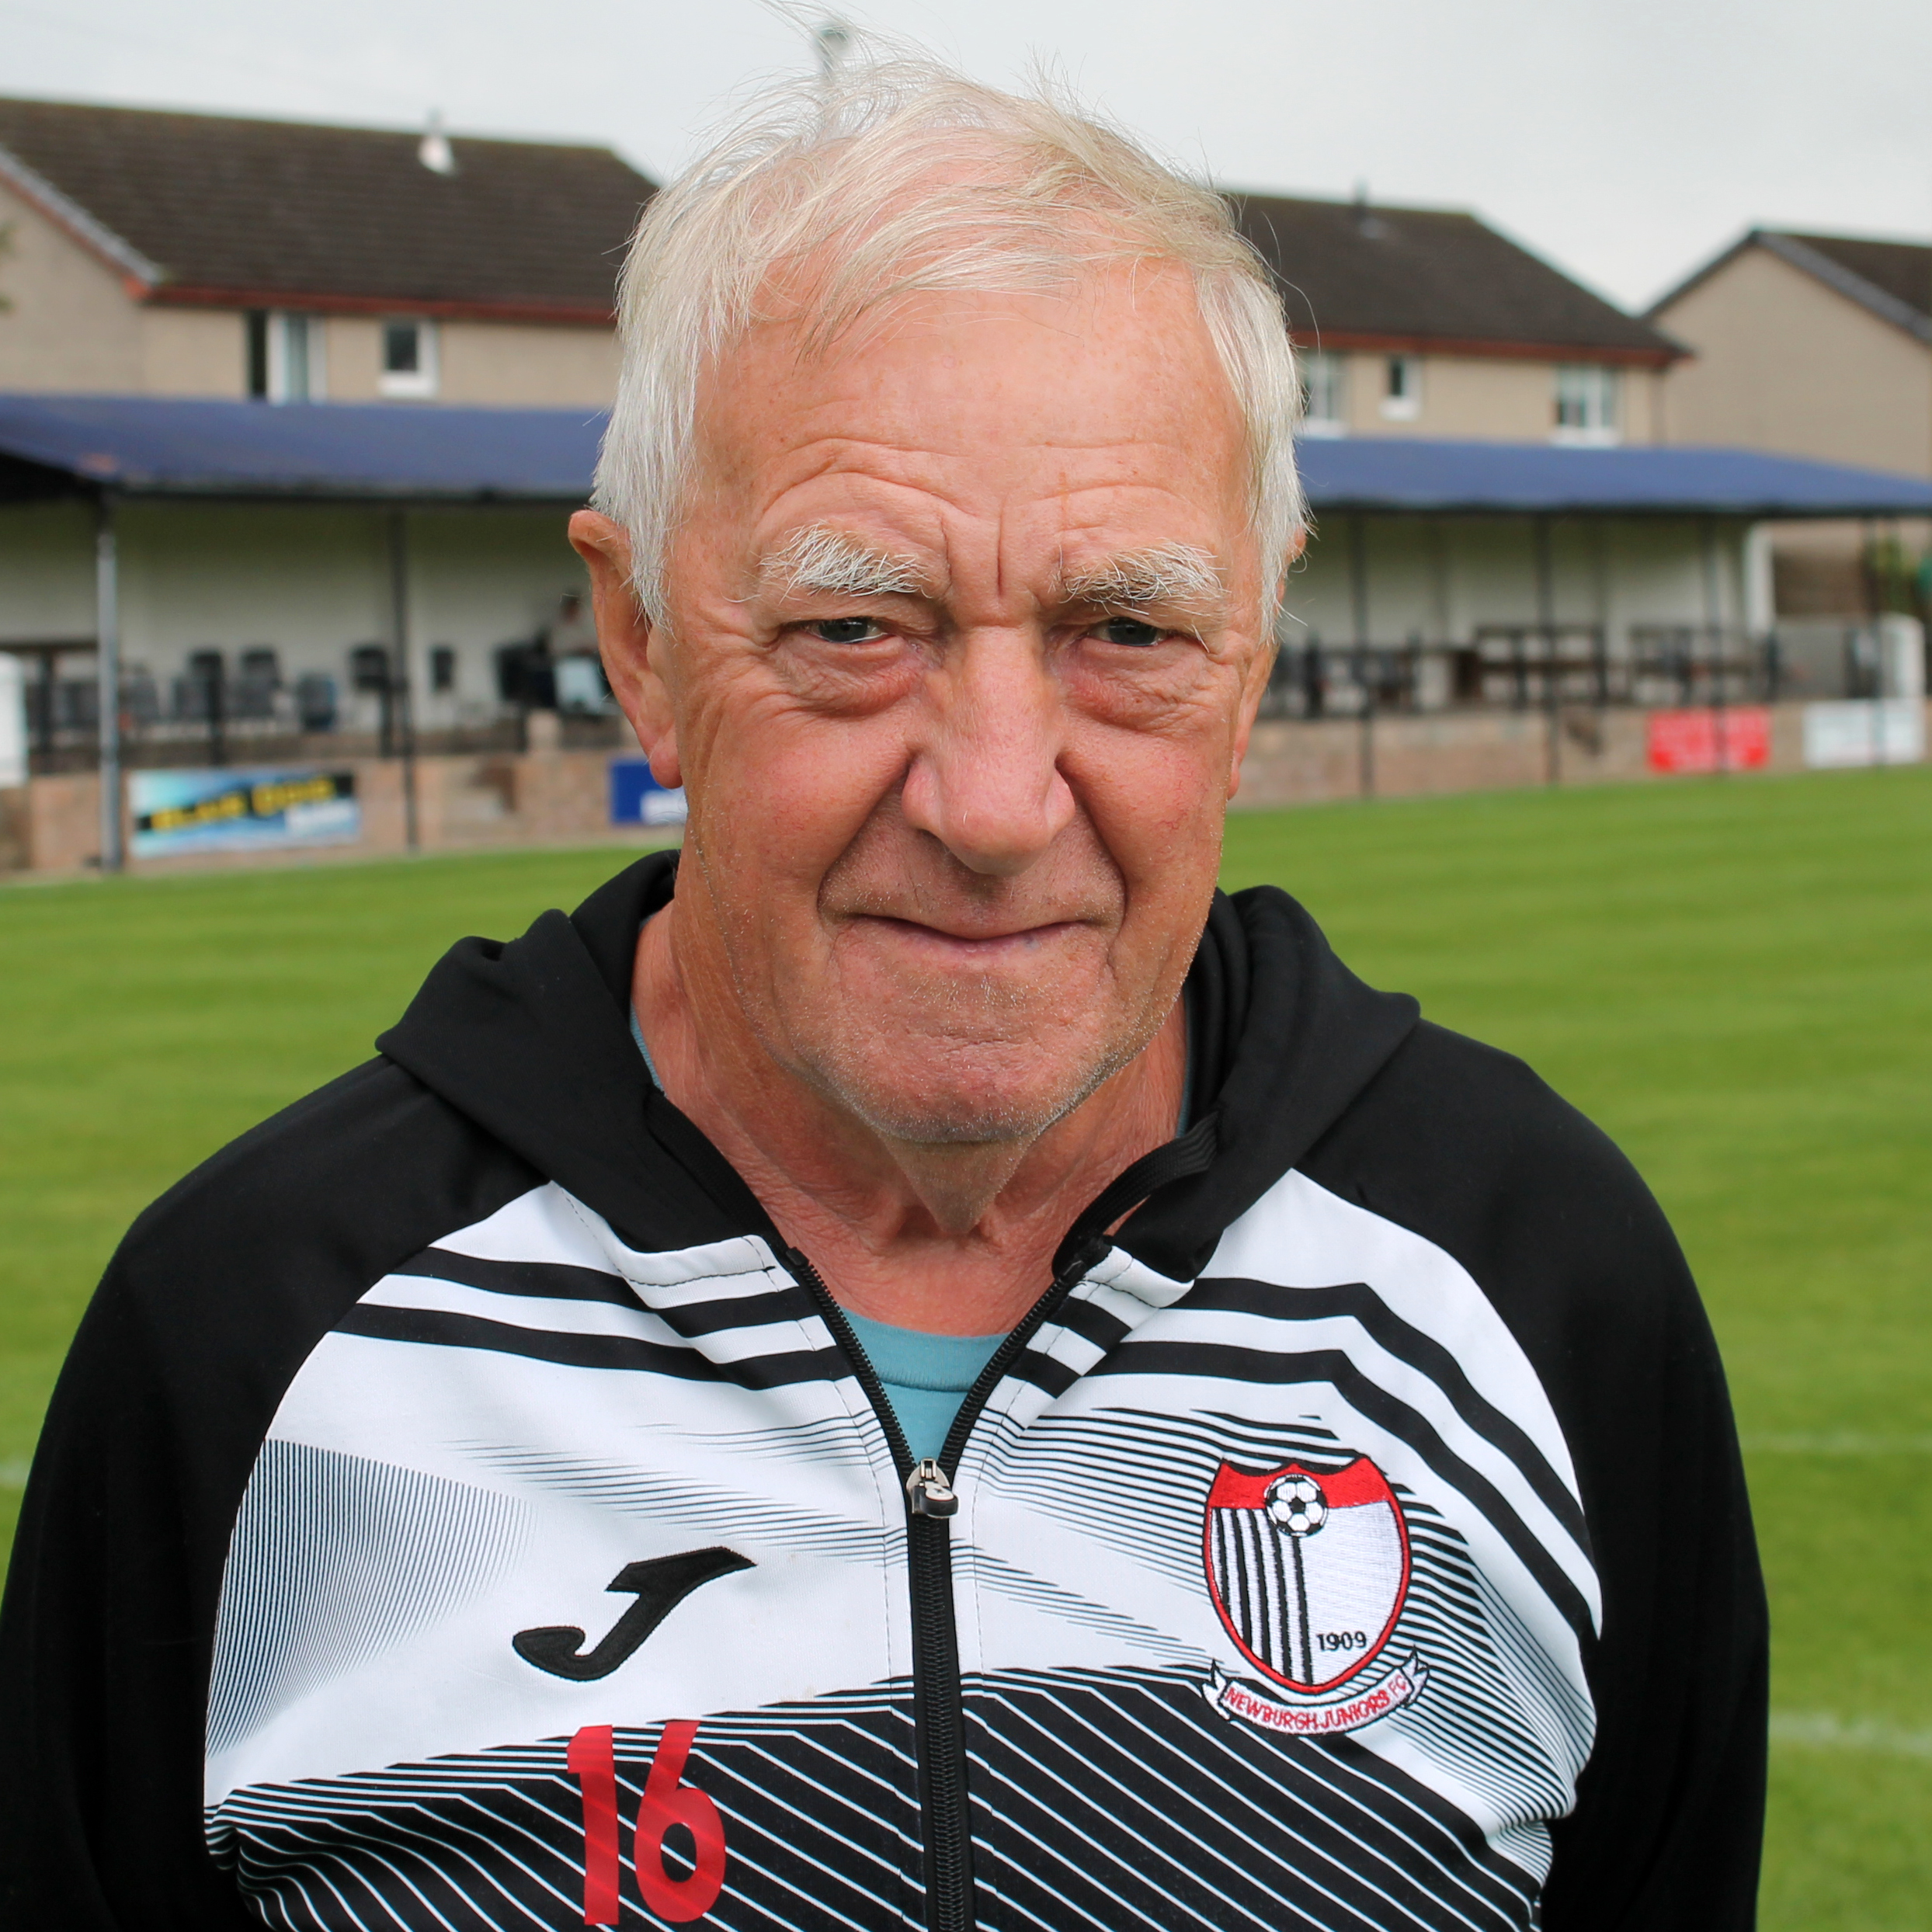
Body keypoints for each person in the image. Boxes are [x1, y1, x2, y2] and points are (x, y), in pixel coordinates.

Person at [0, 59, 1764, 1932]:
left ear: (1251, 652)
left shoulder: (1534, 1281)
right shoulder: (256, 1334)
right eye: (854, 626)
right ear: (639, 640)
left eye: (1126, 630)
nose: (993, 804)